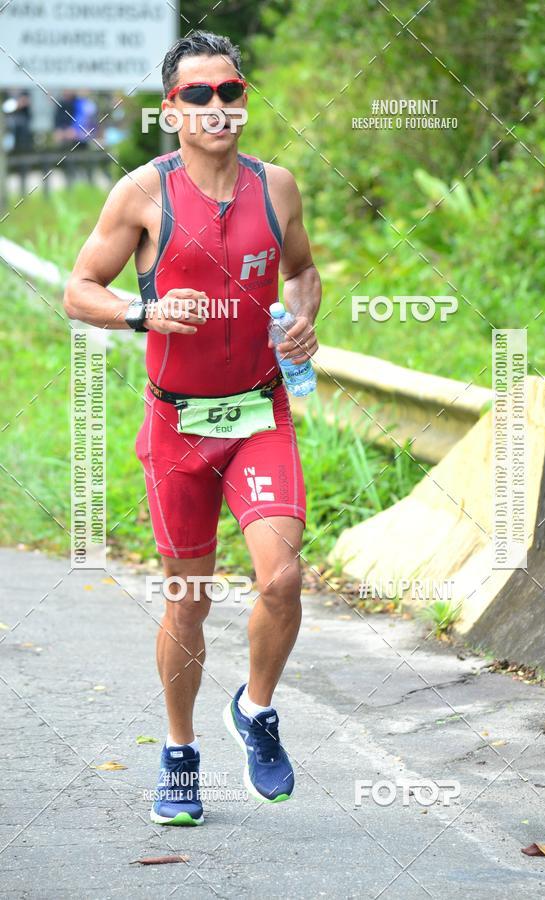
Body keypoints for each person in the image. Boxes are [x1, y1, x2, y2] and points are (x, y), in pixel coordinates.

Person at [64, 30, 321, 825]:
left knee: (280, 577)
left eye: (232, 92)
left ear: (245, 99)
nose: (220, 108)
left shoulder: (277, 188)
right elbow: (79, 290)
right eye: (200, 95)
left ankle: (256, 710)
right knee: (189, 599)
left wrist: (303, 320)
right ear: (171, 108)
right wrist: (143, 312)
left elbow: (303, 271)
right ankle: (179, 754)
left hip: (258, 412)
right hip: (178, 429)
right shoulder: (142, 194)